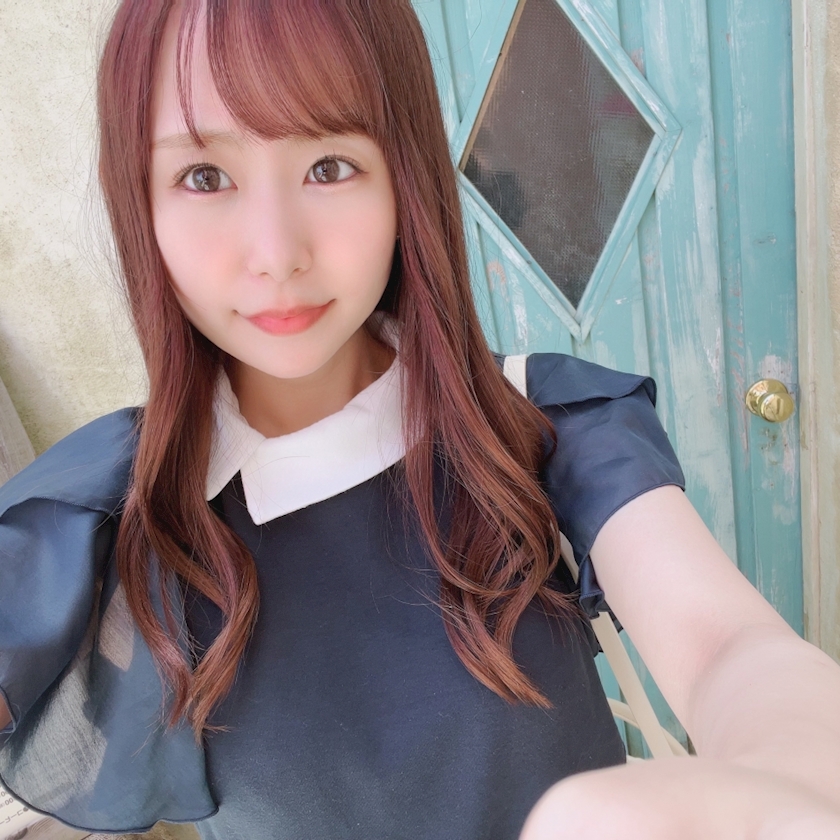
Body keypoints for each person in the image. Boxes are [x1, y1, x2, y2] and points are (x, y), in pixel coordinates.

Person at [1, 1, 839, 838]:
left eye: (329, 166)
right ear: (138, 197)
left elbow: (727, 644)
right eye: (205, 177)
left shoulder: (535, 422)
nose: (276, 253)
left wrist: (794, 773)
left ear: (403, 176)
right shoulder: (103, 516)